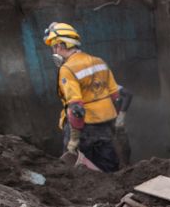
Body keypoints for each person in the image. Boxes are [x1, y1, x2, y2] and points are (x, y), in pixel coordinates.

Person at [43, 22, 121, 172]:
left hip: (83, 127)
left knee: (77, 170)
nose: (54, 51)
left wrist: (74, 139)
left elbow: (76, 108)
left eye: (54, 47)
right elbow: (115, 95)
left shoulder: (67, 69)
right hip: (105, 124)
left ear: (60, 45)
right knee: (109, 167)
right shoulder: (99, 61)